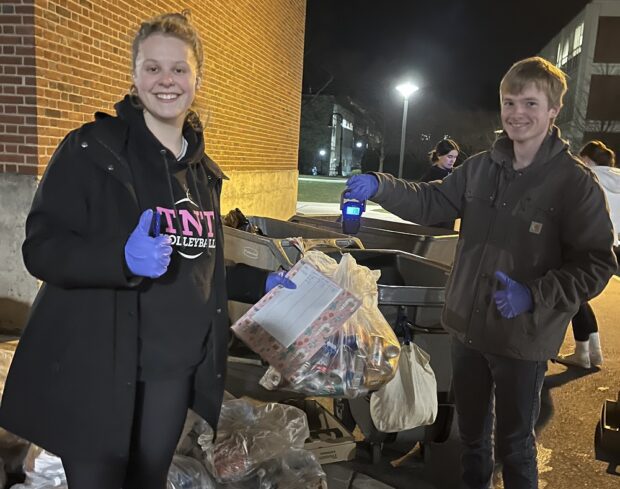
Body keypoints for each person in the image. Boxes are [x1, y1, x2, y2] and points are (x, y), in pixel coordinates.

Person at [0, 12, 294, 489]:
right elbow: (42, 249)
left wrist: (263, 283)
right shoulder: (91, 150)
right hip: (97, 367)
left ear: (197, 77)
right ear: (134, 76)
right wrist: (121, 259)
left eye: (179, 69)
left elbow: (205, 264)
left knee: (147, 482)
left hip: (171, 374)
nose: (166, 81)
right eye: (152, 67)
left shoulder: (202, 174)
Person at [344, 56, 617, 489]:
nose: (517, 113)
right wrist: (380, 185)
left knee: (515, 446)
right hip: (467, 331)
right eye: (509, 102)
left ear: (552, 111)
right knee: (470, 438)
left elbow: (598, 262)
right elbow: (433, 202)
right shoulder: (480, 167)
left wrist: (536, 294)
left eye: (530, 103)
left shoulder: (573, 182)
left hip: (521, 338)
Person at [556, 140, 619, 369]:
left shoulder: (587, 177)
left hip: (587, 245)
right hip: (613, 247)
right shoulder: (617, 176)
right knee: (581, 297)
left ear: (587, 160)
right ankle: (594, 350)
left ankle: (583, 353)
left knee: (575, 295)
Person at [419, 138, 460, 228]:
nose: (453, 160)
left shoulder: (457, 174)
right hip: (433, 226)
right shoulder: (429, 176)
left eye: (455, 157)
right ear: (439, 155)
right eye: (449, 156)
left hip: (450, 225)